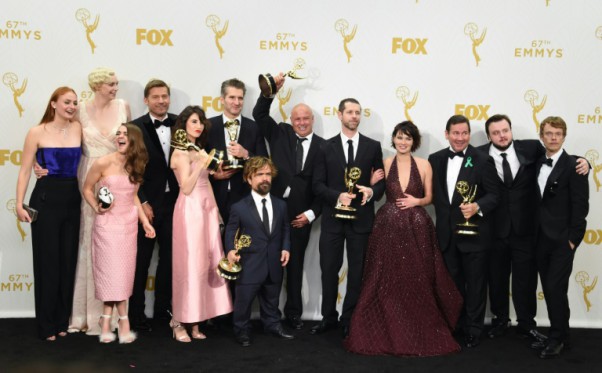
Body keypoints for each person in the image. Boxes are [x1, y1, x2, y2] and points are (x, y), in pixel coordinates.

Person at [344, 121, 462, 356]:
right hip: (386, 227)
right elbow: (374, 193)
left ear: (414, 142)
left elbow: (430, 197)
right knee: (384, 278)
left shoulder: (425, 164)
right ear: (394, 139)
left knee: (418, 278)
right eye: (399, 137)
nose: (403, 142)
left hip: (417, 227)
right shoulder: (386, 164)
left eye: (408, 138)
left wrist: (415, 202)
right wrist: (371, 185)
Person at [476, 114, 589, 341]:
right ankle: (500, 320)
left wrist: (587, 162)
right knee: (497, 279)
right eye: (496, 132)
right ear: (489, 136)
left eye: (505, 130)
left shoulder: (531, 148)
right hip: (494, 229)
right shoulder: (477, 154)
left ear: (511, 130)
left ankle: (526, 323)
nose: (501, 135)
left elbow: (559, 159)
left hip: (527, 230)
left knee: (525, 280)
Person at [251, 73, 325, 330]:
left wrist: (311, 215)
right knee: (269, 266)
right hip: (272, 211)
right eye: (297, 119)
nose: (302, 122)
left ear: (312, 120)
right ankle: (265, 315)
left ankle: (293, 314)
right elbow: (260, 115)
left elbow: (324, 189)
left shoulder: (325, 147)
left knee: (294, 269)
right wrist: (270, 91)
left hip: (301, 216)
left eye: (306, 118)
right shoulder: (280, 132)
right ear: (291, 121)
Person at [311, 98, 385, 337]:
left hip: (361, 220)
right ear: (339, 114)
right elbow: (317, 184)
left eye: (358, 112)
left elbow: (381, 182)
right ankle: (328, 317)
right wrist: (337, 196)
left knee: (356, 272)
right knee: (329, 269)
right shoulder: (324, 146)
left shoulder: (373, 146)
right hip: (333, 219)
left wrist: (372, 190)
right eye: (350, 112)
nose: (354, 116)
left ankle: (349, 318)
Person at [15, 87, 82, 340]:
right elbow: (23, 171)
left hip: (72, 199)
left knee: (67, 261)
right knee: (47, 263)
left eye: (75, 102)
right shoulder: (36, 132)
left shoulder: (78, 128)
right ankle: (46, 325)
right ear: (53, 103)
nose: (72, 106)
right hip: (45, 199)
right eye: (66, 102)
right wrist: (19, 204)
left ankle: (61, 321)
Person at [428, 114, 499, 348]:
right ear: (446, 134)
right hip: (447, 234)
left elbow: (494, 195)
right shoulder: (435, 159)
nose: (460, 138)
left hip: (475, 234)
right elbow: (433, 196)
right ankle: (454, 325)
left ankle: (473, 329)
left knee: (476, 285)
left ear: (469, 134)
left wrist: (477, 206)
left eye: (465, 133)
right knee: (452, 284)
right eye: (456, 133)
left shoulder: (482, 159)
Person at [71, 67, 131, 335]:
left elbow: (129, 142)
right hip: (89, 178)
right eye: (111, 84)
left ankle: (119, 317)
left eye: (117, 83)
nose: (116, 88)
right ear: (97, 86)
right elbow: (66, 140)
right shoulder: (80, 109)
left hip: (119, 179)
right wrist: (43, 164)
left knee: (117, 246)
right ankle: (87, 314)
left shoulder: (123, 106)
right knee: (89, 241)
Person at [82, 123, 155, 343]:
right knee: (109, 275)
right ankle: (117, 321)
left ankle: (112, 322)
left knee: (123, 277)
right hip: (107, 227)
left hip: (128, 226)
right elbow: (87, 188)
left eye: (125, 134)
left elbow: (134, 197)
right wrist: (96, 208)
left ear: (134, 140)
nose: (120, 137)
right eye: (118, 134)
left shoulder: (136, 165)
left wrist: (145, 223)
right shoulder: (103, 162)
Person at [170, 106, 233, 342]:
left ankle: (196, 320)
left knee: (207, 263)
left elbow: (208, 184)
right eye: (194, 121)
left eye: (201, 122)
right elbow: (186, 187)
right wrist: (202, 165)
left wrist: (216, 211)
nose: (199, 125)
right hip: (190, 212)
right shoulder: (180, 153)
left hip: (207, 211)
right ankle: (178, 321)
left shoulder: (199, 150)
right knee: (189, 266)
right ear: (184, 124)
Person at [531, 116, 589, 359]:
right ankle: (562, 334)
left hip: (563, 240)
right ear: (541, 135)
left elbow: (580, 205)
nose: (553, 138)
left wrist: (573, 239)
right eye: (548, 133)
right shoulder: (534, 161)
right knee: (552, 287)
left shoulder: (575, 164)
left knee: (555, 287)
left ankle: (556, 338)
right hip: (538, 239)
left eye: (557, 134)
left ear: (564, 136)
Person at [225, 157, 293, 347]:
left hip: (274, 262)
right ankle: (242, 331)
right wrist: (230, 250)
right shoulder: (239, 207)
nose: (265, 178)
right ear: (249, 179)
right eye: (260, 174)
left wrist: (286, 247)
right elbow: (231, 231)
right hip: (249, 264)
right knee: (243, 302)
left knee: (272, 299)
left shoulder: (281, 205)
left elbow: (286, 228)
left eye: (268, 174)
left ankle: (272, 325)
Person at [130, 79, 179, 331]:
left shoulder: (182, 122)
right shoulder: (134, 127)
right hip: (146, 205)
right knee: (141, 261)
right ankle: (135, 315)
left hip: (175, 204)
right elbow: (130, 168)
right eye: (156, 97)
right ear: (146, 100)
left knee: (170, 261)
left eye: (165, 96)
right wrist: (144, 201)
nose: (161, 100)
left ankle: (163, 313)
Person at [206, 78, 268, 226]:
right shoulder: (208, 126)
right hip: (213, 196)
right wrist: (213, 174)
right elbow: (197, 161)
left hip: (245, 197)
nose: (237, 102)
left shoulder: (253, 127)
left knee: (241, 245)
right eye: (232, 97)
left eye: (240, 98)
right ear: (222, 99)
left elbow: (265, 162)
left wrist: (246, 154)